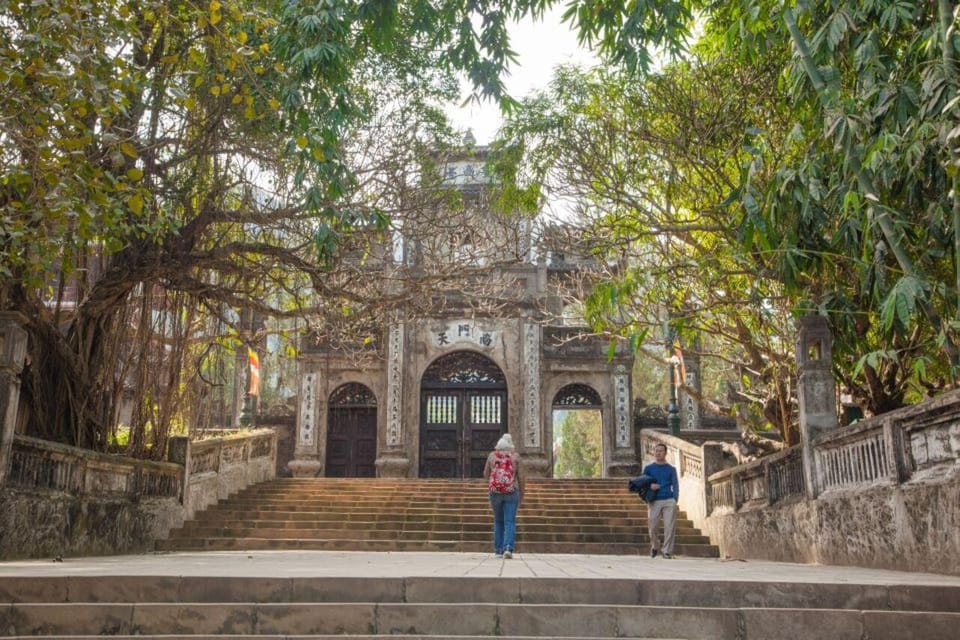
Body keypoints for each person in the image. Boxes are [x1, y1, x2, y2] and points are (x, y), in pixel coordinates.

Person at [483, 433, 523, 559]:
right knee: (510, 521)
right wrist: (522, 493)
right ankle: (508, 548)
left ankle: (498, 550)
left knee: (498, 521)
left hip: (495, 492)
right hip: (512, 491)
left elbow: (485, 474)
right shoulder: (516, 457)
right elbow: (521, 478)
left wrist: (491, 486)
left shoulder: (492, 456)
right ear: (511, 444)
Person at [643, 443, 679, 559]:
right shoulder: (648, 469)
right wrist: (650, 486)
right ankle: (655, 545)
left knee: (669, 527)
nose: (658, 453)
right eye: (656, 451)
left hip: (669, 500)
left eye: (661, 451)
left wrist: (675, 498)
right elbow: (642, 484)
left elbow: (675, 484)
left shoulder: (671, 469)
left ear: (665, 453)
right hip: (654, 501)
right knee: (652, 527)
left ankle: (667, 551)